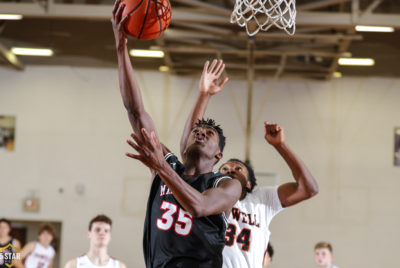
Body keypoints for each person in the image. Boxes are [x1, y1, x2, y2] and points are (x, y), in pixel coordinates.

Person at [112, 1, 241, 267]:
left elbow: (199, 207)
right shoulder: (169, 165)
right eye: (197, 130)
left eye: (209, 133)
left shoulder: (226, 185)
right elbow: (135, 110)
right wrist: (121, 47)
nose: (200, 134)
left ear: (219, 154)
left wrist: (160, 165)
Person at [179, 61, 319, 268]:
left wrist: (281, 145)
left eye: (238, 169)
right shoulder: (211, 191)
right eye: (225, 169)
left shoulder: (263, 199)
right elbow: (191, 148)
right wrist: (203, 95)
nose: (229, 171)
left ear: (250, 184)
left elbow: (308, 189)